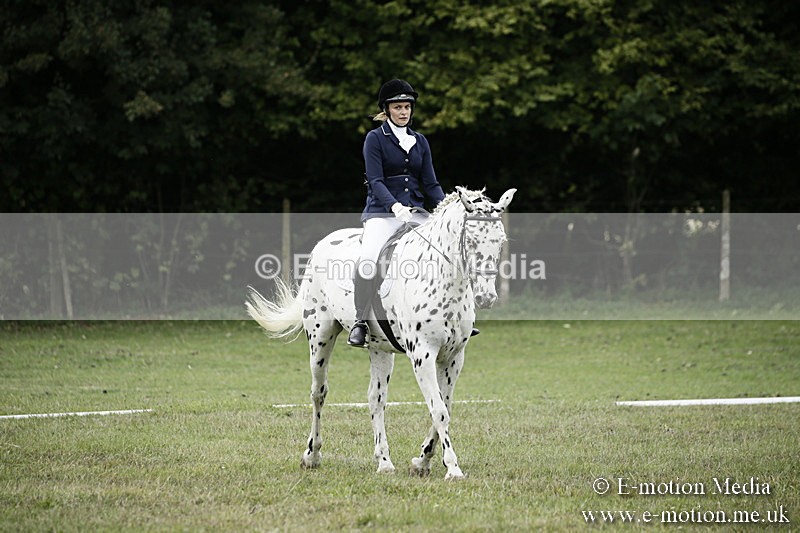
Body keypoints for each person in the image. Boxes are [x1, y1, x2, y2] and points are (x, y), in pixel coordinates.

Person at [347, 79, 446, 347]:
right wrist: (394, 206)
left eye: (407, 107)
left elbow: (431, 184)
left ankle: (449, 317)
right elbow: (376, 181)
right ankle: (360, 322)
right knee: (368, 259)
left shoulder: (420, 141)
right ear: (387, 110)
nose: (404, 112)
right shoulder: (375, 139)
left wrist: (449, 210)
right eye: (398, 107)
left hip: (414, 212)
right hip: (382, 212)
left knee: (443, 253)